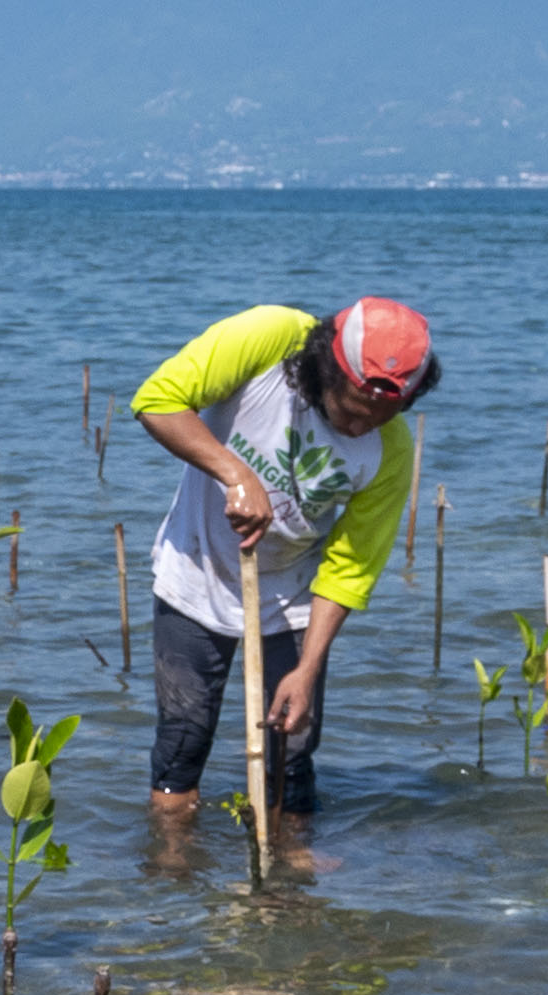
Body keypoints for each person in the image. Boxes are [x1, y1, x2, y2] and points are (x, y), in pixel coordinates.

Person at [130, 299, 434, 834]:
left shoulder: (390, 450)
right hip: (197, 566)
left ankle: (291, 877)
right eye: (353, 411)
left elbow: (350, 567)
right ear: (327, 370)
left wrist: (307, 667)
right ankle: (172, 871)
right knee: (183, 738)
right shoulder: (271, 339)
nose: (364, 427)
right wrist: (235, 474)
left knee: (292, 749)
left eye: (381, 418)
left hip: (291, 593)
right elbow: (158, 400)